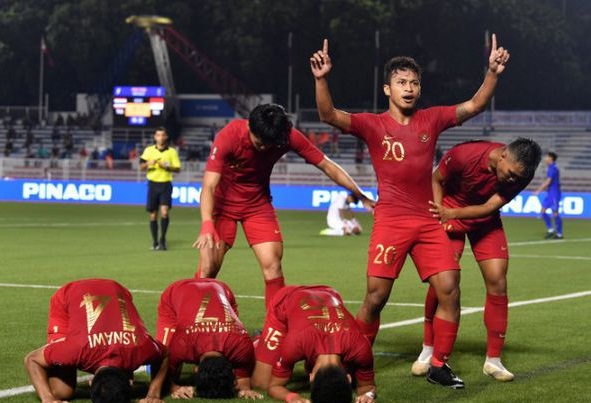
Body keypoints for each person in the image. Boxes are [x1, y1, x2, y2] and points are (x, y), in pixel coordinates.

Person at [310, 34, 510, 388]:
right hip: (391, 220)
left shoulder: (431, 119)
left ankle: (438, 365)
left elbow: (475, 105)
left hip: (428, 219)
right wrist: (322, 79)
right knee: (376, 297)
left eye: (414, 83)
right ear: (388, 89)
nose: (409, 88)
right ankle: (354, 363)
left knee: (450, 288)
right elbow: (327, 114)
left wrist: (492, 72)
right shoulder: (372, 125)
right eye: (401, 82)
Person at [193, 103, 373, 309]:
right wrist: (207, 223)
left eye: (269, 144)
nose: (264, 148)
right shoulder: (230, 135)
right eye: (259, 143)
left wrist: (360, 194)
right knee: (208, 269)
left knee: (273, 266)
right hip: (222, 205)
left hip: (257, 205)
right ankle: (194, 323)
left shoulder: (286, 136)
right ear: (249, 127)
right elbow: (208, 186)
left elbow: (326, 165)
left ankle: (274, 329)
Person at [410, 138, 541, 382]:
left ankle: (493, 360)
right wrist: (439, 214)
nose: (513, 180)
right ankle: (428, 348)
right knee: (443, 283)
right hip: (448, 209)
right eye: (511, 173)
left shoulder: (522, 174)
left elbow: (490, 207)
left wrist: (454, 214)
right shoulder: (464, 155)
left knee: (498, 282)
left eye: (518, 177)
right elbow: (436, 179)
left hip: (483, 220)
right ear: (502, 156)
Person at [24, 279, 169, 403]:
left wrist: (153, 394)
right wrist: (48, 399)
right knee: (61, 392)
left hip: (116, 288)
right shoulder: (76, 349)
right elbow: (32, 359)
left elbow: (166, 353)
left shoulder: (141, 349)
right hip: (70, 295)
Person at [252, 285, 376, 403]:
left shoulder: (360, 346)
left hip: (329, 293)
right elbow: (273, 386)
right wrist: (292, 397)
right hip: (285, 300)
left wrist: (367, 395)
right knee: (261, 383)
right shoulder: (296, 343)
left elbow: (368, 387)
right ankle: (258, 340)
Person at [155, 278, 261, 400]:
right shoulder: (182, 344)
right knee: (163, 360)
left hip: (222, 290)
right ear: (196, 369)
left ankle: (259, 338)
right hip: (175, 295)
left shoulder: (242, 346)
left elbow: (242, 381)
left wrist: (244, 390)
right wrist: (174, 387)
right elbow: (160, 371)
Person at [140, 127, 181, 251]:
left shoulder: (172, 152)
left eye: (163, 135)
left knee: (164, 212)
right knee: (153, 215)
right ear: (155, 137)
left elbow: (178, 169)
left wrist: (167, 167)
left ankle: (162, 239)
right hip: (153, 184)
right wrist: (148, 163)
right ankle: (155, 241)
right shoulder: (148, 151)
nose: (160, 137)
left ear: (166, 137)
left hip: (165, 184)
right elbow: (141, 166)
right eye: (158, 135)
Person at [534, 151, 563, 239]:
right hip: (550, 193)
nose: (545, 159)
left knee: (555, 213)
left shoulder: (553, 168)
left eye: (547, 157)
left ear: (551, 158)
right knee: (542, 211)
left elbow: (548, 181)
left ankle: (559, 234)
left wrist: (539, 190)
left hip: (554, 194)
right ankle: (550, 230)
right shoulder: (551, 167)